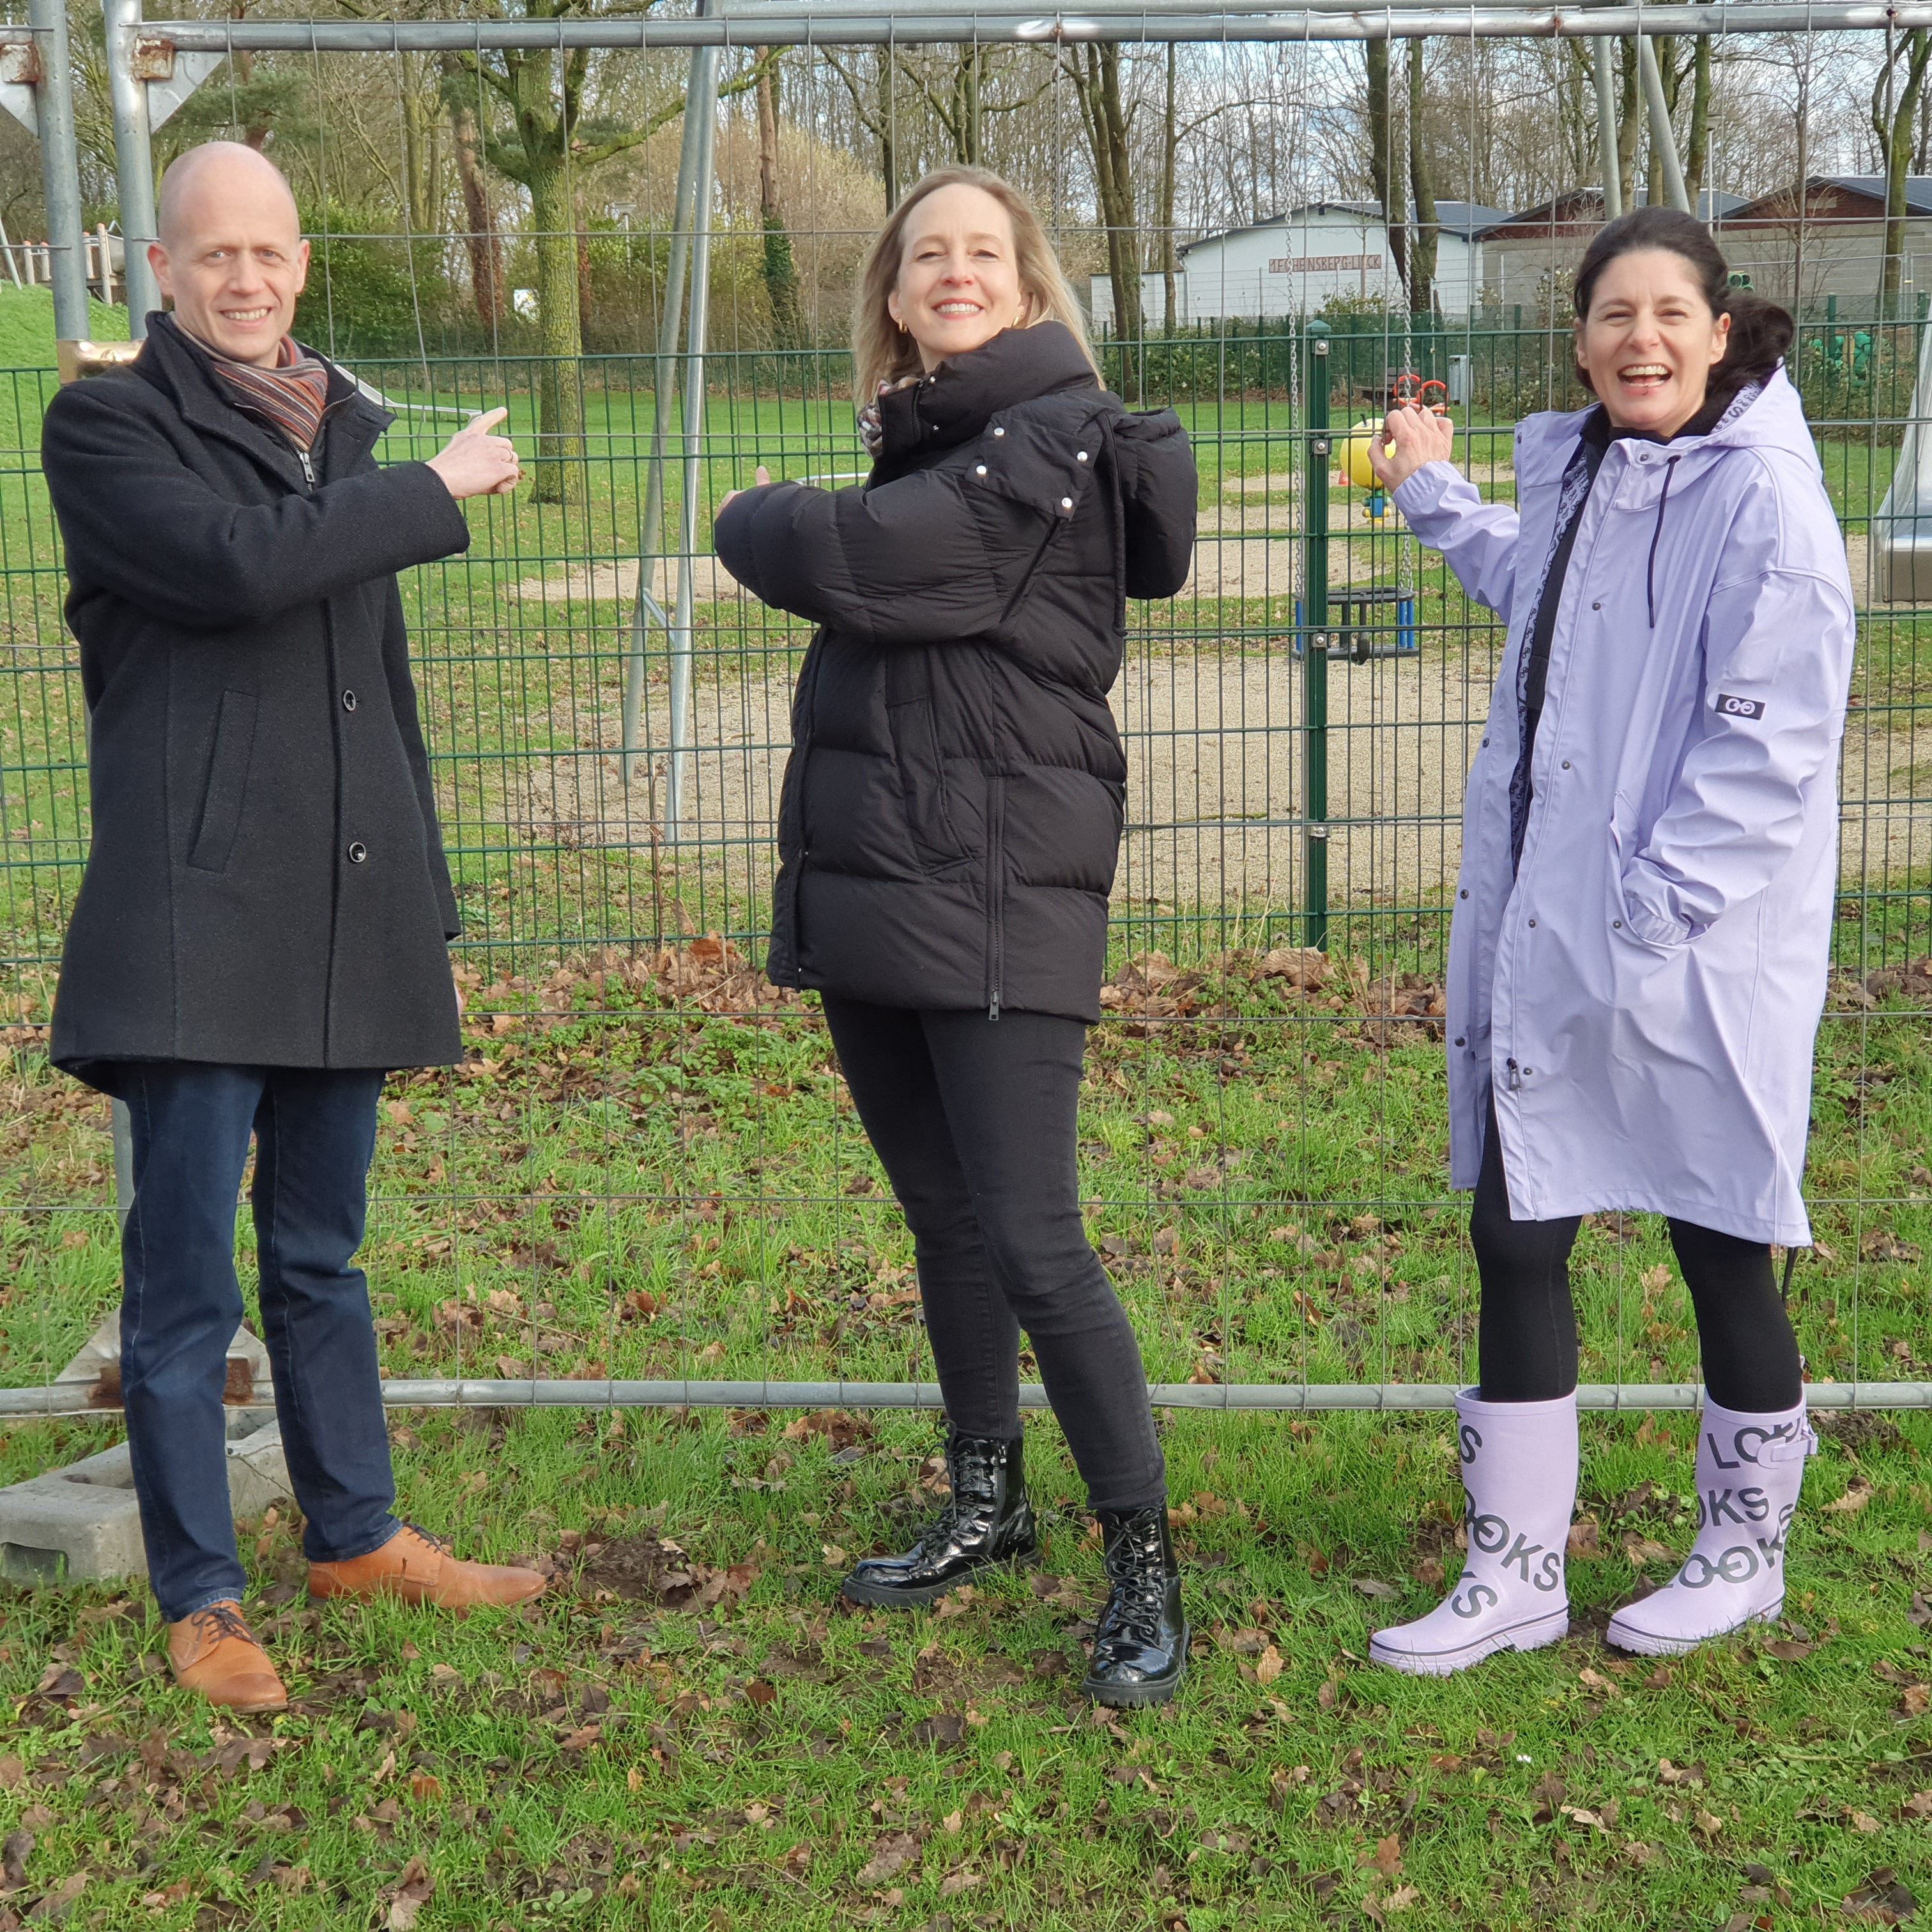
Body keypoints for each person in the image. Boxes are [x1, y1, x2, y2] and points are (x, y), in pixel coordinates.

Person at [39, 141, 543, 1713]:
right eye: (216, 255)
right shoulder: (110, 425)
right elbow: (231, 568)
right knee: (186, 1280)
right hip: (195, 916)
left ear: (303, 263)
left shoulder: (341, 430)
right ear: (162, 271)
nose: (247, 279)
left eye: (269, 252)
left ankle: (356, 1535)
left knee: (322, 1254)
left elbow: (373, 688)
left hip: (343, 899)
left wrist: (419, 893)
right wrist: (426, 492)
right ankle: (201, 1597)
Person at [714, 168, 1197, 1706]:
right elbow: (873, 559)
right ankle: (987, 1499)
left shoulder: (1046, 437)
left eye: (984, 252)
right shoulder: (932, 440)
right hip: (887, 880)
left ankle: (1144, 1566)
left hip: (996, 889)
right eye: (928, 255)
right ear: (892, 292)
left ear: (1032, 287)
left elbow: (840, 558)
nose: (955, 272)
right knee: (945, 1216)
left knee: (1035, 1237)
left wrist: (755, 510)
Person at [1363, 207, 1853, 1674]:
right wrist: (1432, 492)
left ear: (1720, 331)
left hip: (1689, 952)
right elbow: (1542, 600)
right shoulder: (1587, 470)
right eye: (1612, 315)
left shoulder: (1765, 501)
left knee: (1721, 1241)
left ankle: (1744, 1555)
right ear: (1579, 340)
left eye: (1668, 314)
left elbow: (1771, 745)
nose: (1641, 340)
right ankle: (1513, 1572)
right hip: (1554, 929)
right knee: (1515, 1229)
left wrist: (1650, 913)